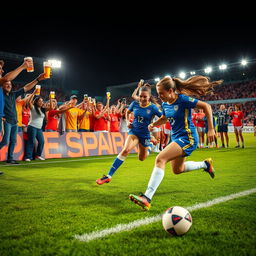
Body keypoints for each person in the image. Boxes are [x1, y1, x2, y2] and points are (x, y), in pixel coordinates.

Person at [129, 75, 223, 210]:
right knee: (178, 170)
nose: (160, 96)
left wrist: (211, 129)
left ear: (171, 91)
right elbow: (165, 117)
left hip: (188, 138)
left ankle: (147, 197)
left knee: (160, 158)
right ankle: (205, 164)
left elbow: (206, 106)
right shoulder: (165, 104)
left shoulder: (183, 100)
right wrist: (154, 124)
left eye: (162, 93)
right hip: (176, 138)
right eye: (158, 93)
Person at [96, 84, 162, 185]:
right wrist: (127, 122)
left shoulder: (153, 108)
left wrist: (154, 124)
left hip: (145, 135)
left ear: (149, 97)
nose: (142, 98)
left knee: (142, 158)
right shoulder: (135, 104)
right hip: (134, 132)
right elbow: (127, 113)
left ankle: (150, 145)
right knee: (125, 150)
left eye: (145, 97)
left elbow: (164, 118)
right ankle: (108, 176)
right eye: (140, 96)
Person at [0, 72, 47, 164]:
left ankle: (10, 158)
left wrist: (37, 79)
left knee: (13, 141)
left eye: (10, 84)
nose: (8, 86)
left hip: (14, 122)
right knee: (5, 141)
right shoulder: (1, 95)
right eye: (6, 84)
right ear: (2, 85)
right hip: (6, 122)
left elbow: (26, 87)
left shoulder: (13, 94)